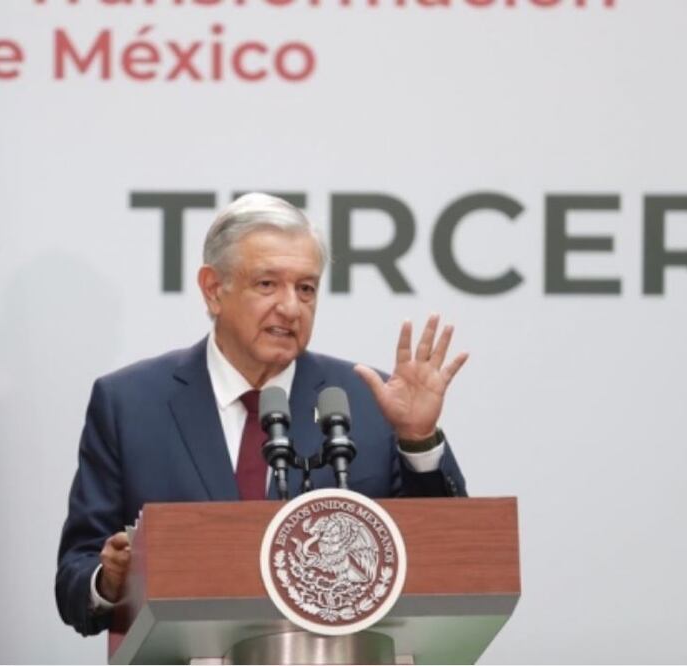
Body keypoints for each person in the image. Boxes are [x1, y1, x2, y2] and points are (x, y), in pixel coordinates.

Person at [55, 193, 469, 637]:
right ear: (214, 290)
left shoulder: (367, 402)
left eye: (306, 288)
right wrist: (111, 581)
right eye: (268, 284)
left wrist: (418, 440)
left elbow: (448, 560)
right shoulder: (129, 403)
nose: (291, 307)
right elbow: (75, 579)